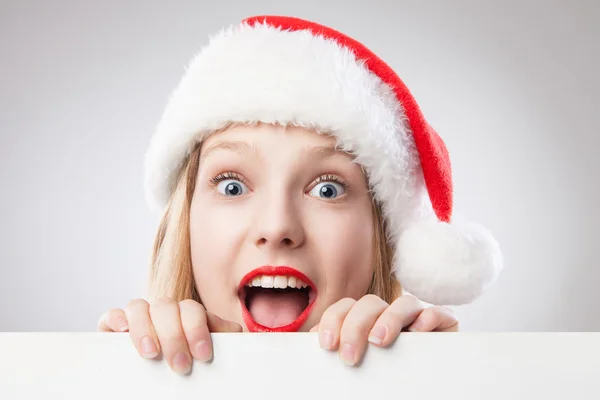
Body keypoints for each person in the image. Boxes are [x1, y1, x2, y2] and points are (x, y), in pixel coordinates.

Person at [97, 15, 503, 375]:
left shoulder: (432, 375)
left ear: (381, 235)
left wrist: (440, 378)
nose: (277, 227)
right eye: (232, 186)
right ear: (184, 224)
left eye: (327, 189)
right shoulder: (118, 374)